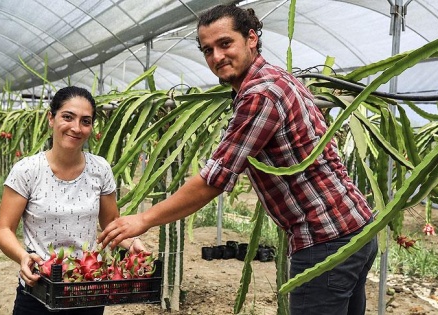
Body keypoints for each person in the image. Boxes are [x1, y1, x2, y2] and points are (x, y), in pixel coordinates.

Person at [99, 4, 378, 315]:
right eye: (207, 50)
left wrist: (142, 219)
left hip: (325, 238)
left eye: (225, 43)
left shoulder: (260, 95)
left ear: (252, 38)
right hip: (356, 229)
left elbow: (214, 180)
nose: (216, 57)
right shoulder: (278, 78)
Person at [0, 86, 146, 315]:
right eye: (68, 117)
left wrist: (132, 244)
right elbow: (4, 228)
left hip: (87, 287)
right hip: (39, 287)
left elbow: (110, 223)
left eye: (86, 121)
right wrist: (23, 257)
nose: (76, 128)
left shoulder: (100, 169)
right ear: (51, 118)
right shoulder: (27, 170)